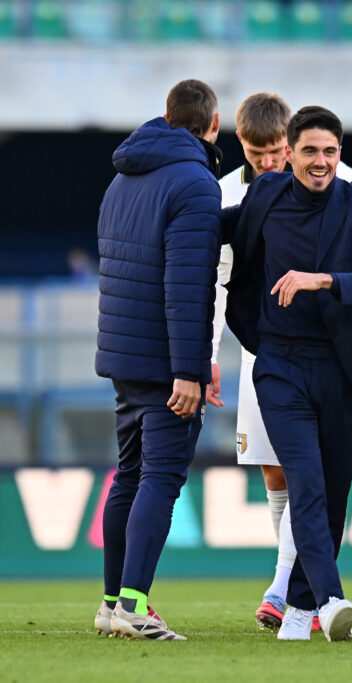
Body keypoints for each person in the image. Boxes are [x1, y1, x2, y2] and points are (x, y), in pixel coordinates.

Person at [223, 105, 352, 643]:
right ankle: (330, 597)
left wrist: (322, 280)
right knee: (303, 479)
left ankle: (301, 608)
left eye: (329, 151)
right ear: (288, 154)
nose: (320, 161)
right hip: (278, 363)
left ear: (338, 154)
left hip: (341, 368)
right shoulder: (264, 197)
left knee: (333, 488)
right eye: (309, 151)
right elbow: (215, 233)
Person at [94, 78, 222, 641]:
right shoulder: (196, 182)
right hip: (166, 361)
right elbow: (188, 285)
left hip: (123, 354)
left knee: (129, 476)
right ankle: (133, 606)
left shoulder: (123, 177)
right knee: (161, 480)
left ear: (167, 116)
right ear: (212, 125)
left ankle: (109, 603)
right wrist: (189, 370)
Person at [207, 92, 297, 631]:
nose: (268, 162)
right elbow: (217, 282)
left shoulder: (330, 177)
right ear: (240, 142)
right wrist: (208, 353)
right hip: (258, 350)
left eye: (276, 151)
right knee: (273, 469)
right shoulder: (224, 195)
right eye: (257, 152)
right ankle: (296, 574)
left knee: (307, 468)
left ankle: (284, 585)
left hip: (314, 351)